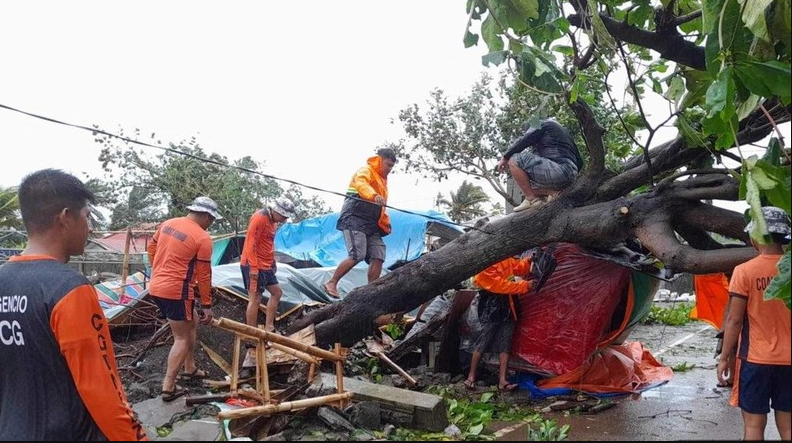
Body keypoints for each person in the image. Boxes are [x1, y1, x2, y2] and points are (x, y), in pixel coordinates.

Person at [0, 169, 147, 440]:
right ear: (66, 217)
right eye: (87, 216)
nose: (89, 228)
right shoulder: (69, 289)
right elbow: (102, 391)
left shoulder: (3, 279)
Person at [717, 206, 791, 441]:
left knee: (753, 427)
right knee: (789, 427)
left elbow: (735, 319)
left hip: (755, 361)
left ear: (755, 235)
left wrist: (724, 357)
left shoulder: (744, 272)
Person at [147, 196, 220, 402]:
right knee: (181, 337)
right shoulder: (203, 238)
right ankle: (169, 387)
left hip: (156, 286)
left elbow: (151, 249)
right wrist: (207, 304)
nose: (211, 223)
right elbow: (204, 275)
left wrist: (159, 269)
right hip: (177, 291)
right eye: (211, 219)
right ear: (206, 216)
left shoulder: (168, 224)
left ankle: (190, 368)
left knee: (192, 321)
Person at [323, 148, 397, 297]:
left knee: (379, 254)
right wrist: (373, 195)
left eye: (392, 167)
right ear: (379, 160)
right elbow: (362, 185)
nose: (389, 169)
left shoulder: (383, 181)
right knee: (357, 254)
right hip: (354, 218)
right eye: (388, 165)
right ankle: (331, 282)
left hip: (371, 224)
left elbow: (381, 207)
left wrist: (385, 222)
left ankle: (371, 292)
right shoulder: (366, 171)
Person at [464, 254, 532, 392]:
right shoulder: (485, 262)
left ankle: (502, 380)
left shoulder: (505, 258)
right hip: (492, 307)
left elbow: (517, 268)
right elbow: (498, 284)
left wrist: (528, 261)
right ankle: (471, 377)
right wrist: (524, 286)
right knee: (484, 340)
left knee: (505, 344)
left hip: (508, 306)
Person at [496, 118, 584, 212]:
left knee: (514, 159)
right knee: (527, 181)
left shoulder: (540, 123)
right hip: (571, 175)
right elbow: (580, 162)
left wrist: (505, 157)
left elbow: (526, 139)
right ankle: (551, 193)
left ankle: (532, 200)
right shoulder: (564, 133)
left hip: (558, 170)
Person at [240, 197, 296, 333]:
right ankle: (251, 333)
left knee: (277, 293)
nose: (285, 219)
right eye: (283, 216)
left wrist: (272, 261)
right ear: (276, 211)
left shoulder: (273, 222)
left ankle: (269, 326)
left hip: (266, 265)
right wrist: (253, 268)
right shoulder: (259, 218)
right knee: (255, 299)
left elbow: (268, 243)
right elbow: (250, 244)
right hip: (253, 264)